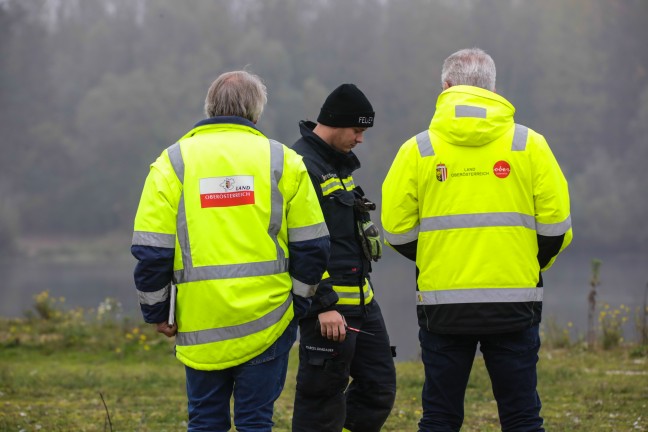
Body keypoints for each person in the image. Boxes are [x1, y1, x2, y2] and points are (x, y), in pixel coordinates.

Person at [381, 48, 573, 432]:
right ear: (492, 88)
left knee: (440, 415)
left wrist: (438, 257)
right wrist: (529, 263)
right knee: (521, 415)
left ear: (446, 87)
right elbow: (556, 227)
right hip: (515, 300)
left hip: (443, 304)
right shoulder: (529, 145)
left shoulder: (418, 149)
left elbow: (395, 231)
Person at [130, 70, 330, 432]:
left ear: (210, 108)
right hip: (269, 317)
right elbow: (313, 246)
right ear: (256, 113)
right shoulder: (282, 160)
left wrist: (157, 311)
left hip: (200, 320)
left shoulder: (172, 162)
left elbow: (151, 250)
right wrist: (297, 305)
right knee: (256, 421)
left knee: (205, 421)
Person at [291, 83, 397, 432]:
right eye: (357, 130)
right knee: (321, 402)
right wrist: (323, 305)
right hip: (329, 308)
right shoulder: (302, 165)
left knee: (379, 387)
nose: (361, 139)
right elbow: (299, 243)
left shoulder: (336, 167)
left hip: (362, 302)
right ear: (335, 123)